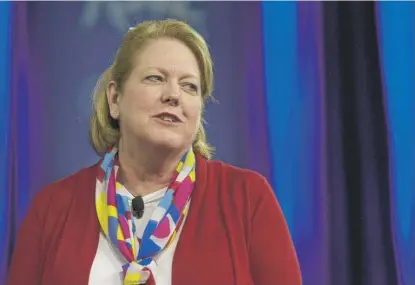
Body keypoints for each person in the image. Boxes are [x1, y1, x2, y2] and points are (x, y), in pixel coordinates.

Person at [6, 19, 302, 285]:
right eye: (155, 78)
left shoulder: (247, 198)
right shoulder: (53, 208)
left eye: (189, 86)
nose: (173, 95)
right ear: (115, 98)